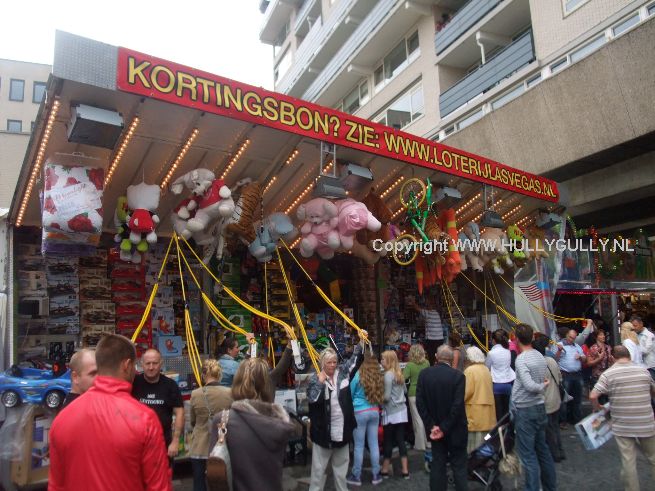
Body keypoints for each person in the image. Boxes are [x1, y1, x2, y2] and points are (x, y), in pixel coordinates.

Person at [49, 334, 171, 490]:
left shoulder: (62, 418)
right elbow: (159, 487)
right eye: (135, 366)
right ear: (127, 365)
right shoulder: (145, 419)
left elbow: (56, 485)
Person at [207, 357, 295, 491]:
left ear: (236, 382)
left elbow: (214, 471)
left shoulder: (223, 421)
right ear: (267, 385)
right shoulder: (279, 421)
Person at [590, 346, 655, 491]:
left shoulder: (608, 374)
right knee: (653, 457)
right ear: (629, 356)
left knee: (628, 461)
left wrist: (598, 407)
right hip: (645, 421)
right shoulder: (643, 371)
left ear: (613, 357)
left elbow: (593, 395)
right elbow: (653, 391)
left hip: (622, 424)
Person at [307, 332, 366, 491]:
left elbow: (355, 360)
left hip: (342, 432)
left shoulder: (343, 373)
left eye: (334, 362)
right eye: (329, 362)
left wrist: (361, 341)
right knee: (318, 472)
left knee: (341, 471)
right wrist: (320, 383)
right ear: (322, 363)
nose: (332, 365)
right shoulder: (315, 379)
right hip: (323, 434)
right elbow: (312, 400)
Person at [510, 324, 556, 491]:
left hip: (526, 409)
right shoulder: (539, 355)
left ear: (516, 339)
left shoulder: (521, 359)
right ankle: (550, 486)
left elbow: (529, 385)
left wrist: (542, 386)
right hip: (539, 406)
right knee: (542, 450)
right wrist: (542, 385)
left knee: (528, 455)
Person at [416, 345, 468, 491]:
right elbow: (457, 406)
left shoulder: (424, 375)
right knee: (459, 467)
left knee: (438, 465)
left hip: (435, 429)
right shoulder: (458, 376)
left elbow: (420, 403)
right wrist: (443, 428)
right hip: (456, 429)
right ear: (451, 359)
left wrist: (432, 426)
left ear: (436, 357)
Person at [132, 348, 185, 459]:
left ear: (161, 363)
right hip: (137, 444)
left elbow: (179, 413)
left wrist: (175, 441)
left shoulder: (170, 385)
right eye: (148, 363)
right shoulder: (134, 383)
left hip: (163, 445)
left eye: (155, 363)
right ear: (142, 364)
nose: (151, 367)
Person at [189, 359, 233, 491]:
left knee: (199, 482)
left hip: (199, 447)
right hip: (221, 446)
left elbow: (193, 421)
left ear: (203, 375)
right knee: (222, 483)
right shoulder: (229, 393)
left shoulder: (195, 394)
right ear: (219, 374)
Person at [346, 353, 384, 486]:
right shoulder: (378, 376)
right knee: (374, 444)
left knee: (359, 446)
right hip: (374, 411)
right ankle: (376, 474)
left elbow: (350, 393)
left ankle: (356, 476)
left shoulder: (358, 375)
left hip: (359, 412)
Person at [533, 335, 564, 463]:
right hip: (556, 398)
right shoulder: (552, 361)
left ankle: (554, 454)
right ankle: (560, 450)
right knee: (555, 427)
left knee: (549, 429)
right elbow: (560, 378)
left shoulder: (537, 365)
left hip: (545, 401)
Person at [380, 350, 409, 479]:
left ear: (389, 361)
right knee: (401, 440)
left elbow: (386, 397)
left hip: (391, 411)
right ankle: (405, 470)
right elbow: (405, 391)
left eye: (383, 359)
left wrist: (378, 399)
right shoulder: (399, 373)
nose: (381, 361)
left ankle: (385, 469)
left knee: (388, 440)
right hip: (402, 410)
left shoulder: (387, 375)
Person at [403, 344, 431, 468]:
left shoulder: (410, 365)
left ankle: (420, 444)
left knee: (417, 419)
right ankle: (428, 442)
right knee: (425, 418)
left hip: (413, 393)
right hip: (425, 393)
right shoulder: (427, 363)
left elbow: (403, 378)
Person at [463, 346, 495, 453]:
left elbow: (466, 392)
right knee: (484, 442)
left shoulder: (470, 371)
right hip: (487, 413)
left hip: (474, 412)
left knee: (473, 446)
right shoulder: (485, 369)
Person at [554, 328, 586, 426]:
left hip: (577, 374)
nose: (571, 340)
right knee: (564, 399)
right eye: (570, 337)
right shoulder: (559, 345)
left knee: (577, 398)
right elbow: (554, 359)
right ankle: (563, 420)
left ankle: (576, 419)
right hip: (566, 375)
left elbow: (585, 359)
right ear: (566, 335)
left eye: (573, 338)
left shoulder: (577, 346)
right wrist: (559, 351)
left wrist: (581, 357)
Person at [485, 329, 515, 422]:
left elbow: (487, 367)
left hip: (496, 384)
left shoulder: (491, 353)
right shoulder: (507, 351)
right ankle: (508, 429)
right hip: (508, 383)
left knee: (498, 413)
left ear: (494, 340)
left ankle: (500, 430)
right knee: (507, 411)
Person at [414, 296, 444, 367]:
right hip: (440, 339)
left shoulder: (428, 313)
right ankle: (438, 368)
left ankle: (432, 368)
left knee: (431, 357)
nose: (426, 307)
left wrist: (412, 301)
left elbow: (417, 308)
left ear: (429, 306)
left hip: (432, 339)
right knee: (439, 356)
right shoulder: (436, 313)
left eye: (427, 305)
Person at [632, 315, 655, 380]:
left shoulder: (649, 335)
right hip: (640, 366)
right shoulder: (635, 334)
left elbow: (646, 350)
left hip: (650, 366)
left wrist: (635, 347)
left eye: (635, 326)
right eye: (633, 326)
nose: (634, 328)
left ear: (641, 324)